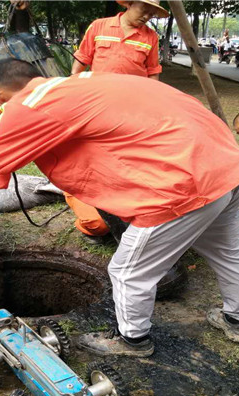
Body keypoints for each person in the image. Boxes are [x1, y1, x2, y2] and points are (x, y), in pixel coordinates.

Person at [0, 59, 239, 357]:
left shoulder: (27, 107)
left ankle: (133, 341)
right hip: (226, 165)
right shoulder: (84, 84)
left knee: (127, 272)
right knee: (229, 252)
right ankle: (237, 321)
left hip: (179, 184)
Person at [68, 0, 168, 243]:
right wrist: (73, 88)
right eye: (145, 10)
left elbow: (152, 71)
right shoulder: (99, 26)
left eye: (152, 14)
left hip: (131, 109)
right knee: (92, 151)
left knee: (126, 153)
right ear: (130, 4)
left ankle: (122, 199)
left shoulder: (150, 37)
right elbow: (81, 60)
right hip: (96, 104)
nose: (147, 16)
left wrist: (151, 102)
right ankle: (89, 197)